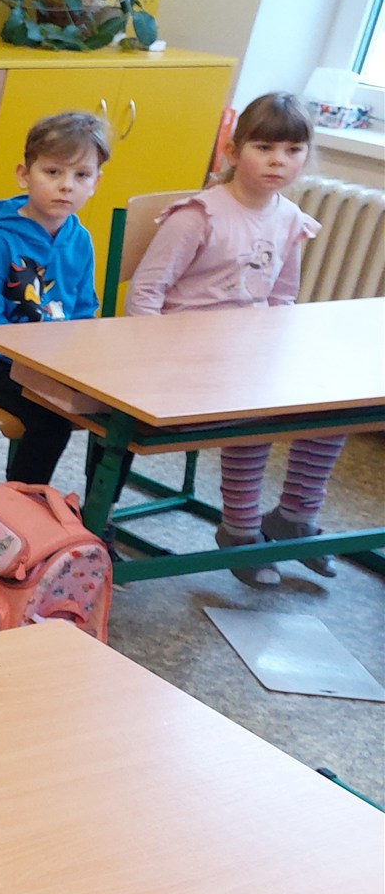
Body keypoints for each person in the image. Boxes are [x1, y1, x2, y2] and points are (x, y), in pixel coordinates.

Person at [126, 92, 341, 586]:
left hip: (246, 354)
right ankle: (240, 529)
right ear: (232, 151)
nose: (278, 161)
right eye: (264, 147)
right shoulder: (199, 214)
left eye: (292, 150)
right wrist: (144, 366)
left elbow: (282, 299)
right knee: (253, 410)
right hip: (185, 357)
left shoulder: (291, 220)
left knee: (334, 403)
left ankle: (294, 517)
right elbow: (147, 292)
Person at [0, 111, 109, 487]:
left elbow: (84, 312)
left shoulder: (80, 240)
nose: (66, 186)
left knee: (118, 413)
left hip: (49, 364)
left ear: (96, 182)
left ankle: (100, 511)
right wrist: (42, 369)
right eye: (53, 172)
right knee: (50, 421)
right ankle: (19, 508)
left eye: (81, 175)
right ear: (24, 175)